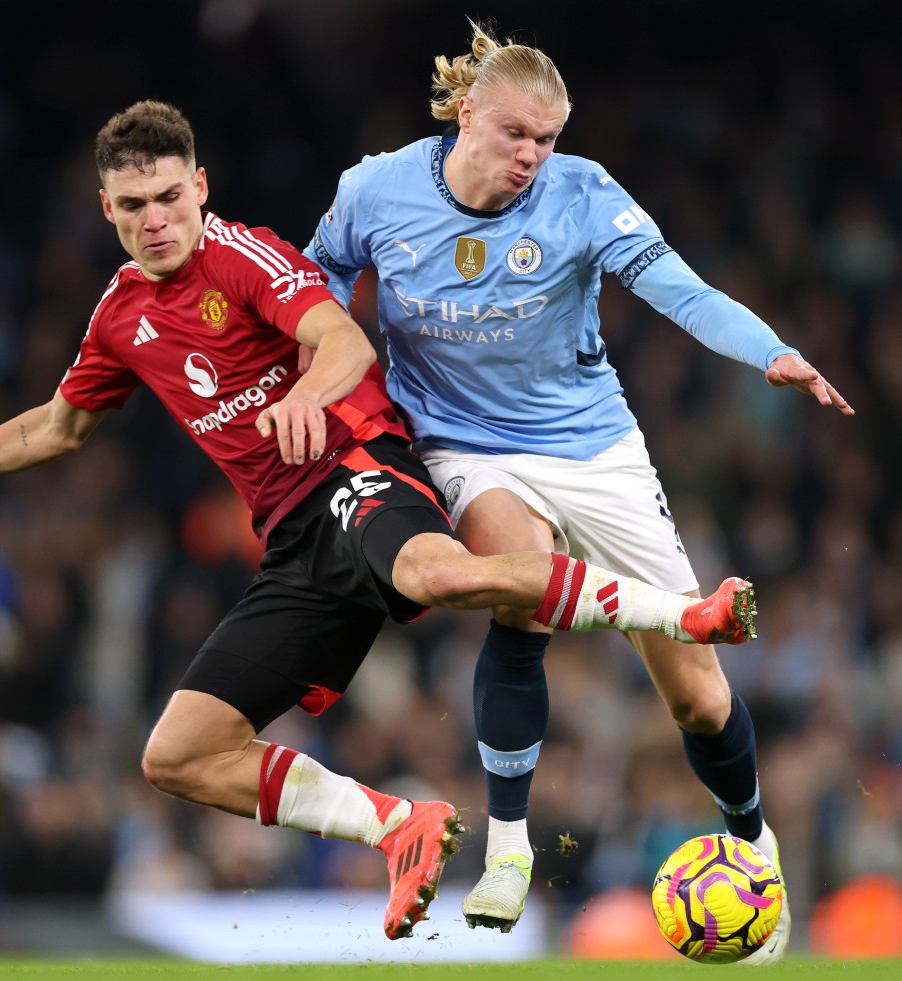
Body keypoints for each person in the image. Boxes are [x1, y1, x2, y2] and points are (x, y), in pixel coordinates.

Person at [0, 100, 757, 941]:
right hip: (294, 537)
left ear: (200, 188)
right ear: (108, 208)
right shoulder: (121, 316)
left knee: (437, 574)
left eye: (172, 196)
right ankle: (400, 823)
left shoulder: (243, 257)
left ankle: (681, 614)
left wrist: (307, 397)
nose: (157, 219)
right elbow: (56, 425)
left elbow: (343, 339)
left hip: (358, 467)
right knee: (177, 753)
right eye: (135, 204)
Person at [304, 22, 853, 960]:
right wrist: (323, 373)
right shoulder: (374, 190)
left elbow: (682, 289)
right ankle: (510, 847)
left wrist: (772, 352)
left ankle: (753, 843)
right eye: (517, 134)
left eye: (548, 138)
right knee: (523, 586)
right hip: (463, 444)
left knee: (698, 700)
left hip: (594, 448)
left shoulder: (583, 194)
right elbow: (314, 283)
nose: (532, 156)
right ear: (466, 111)